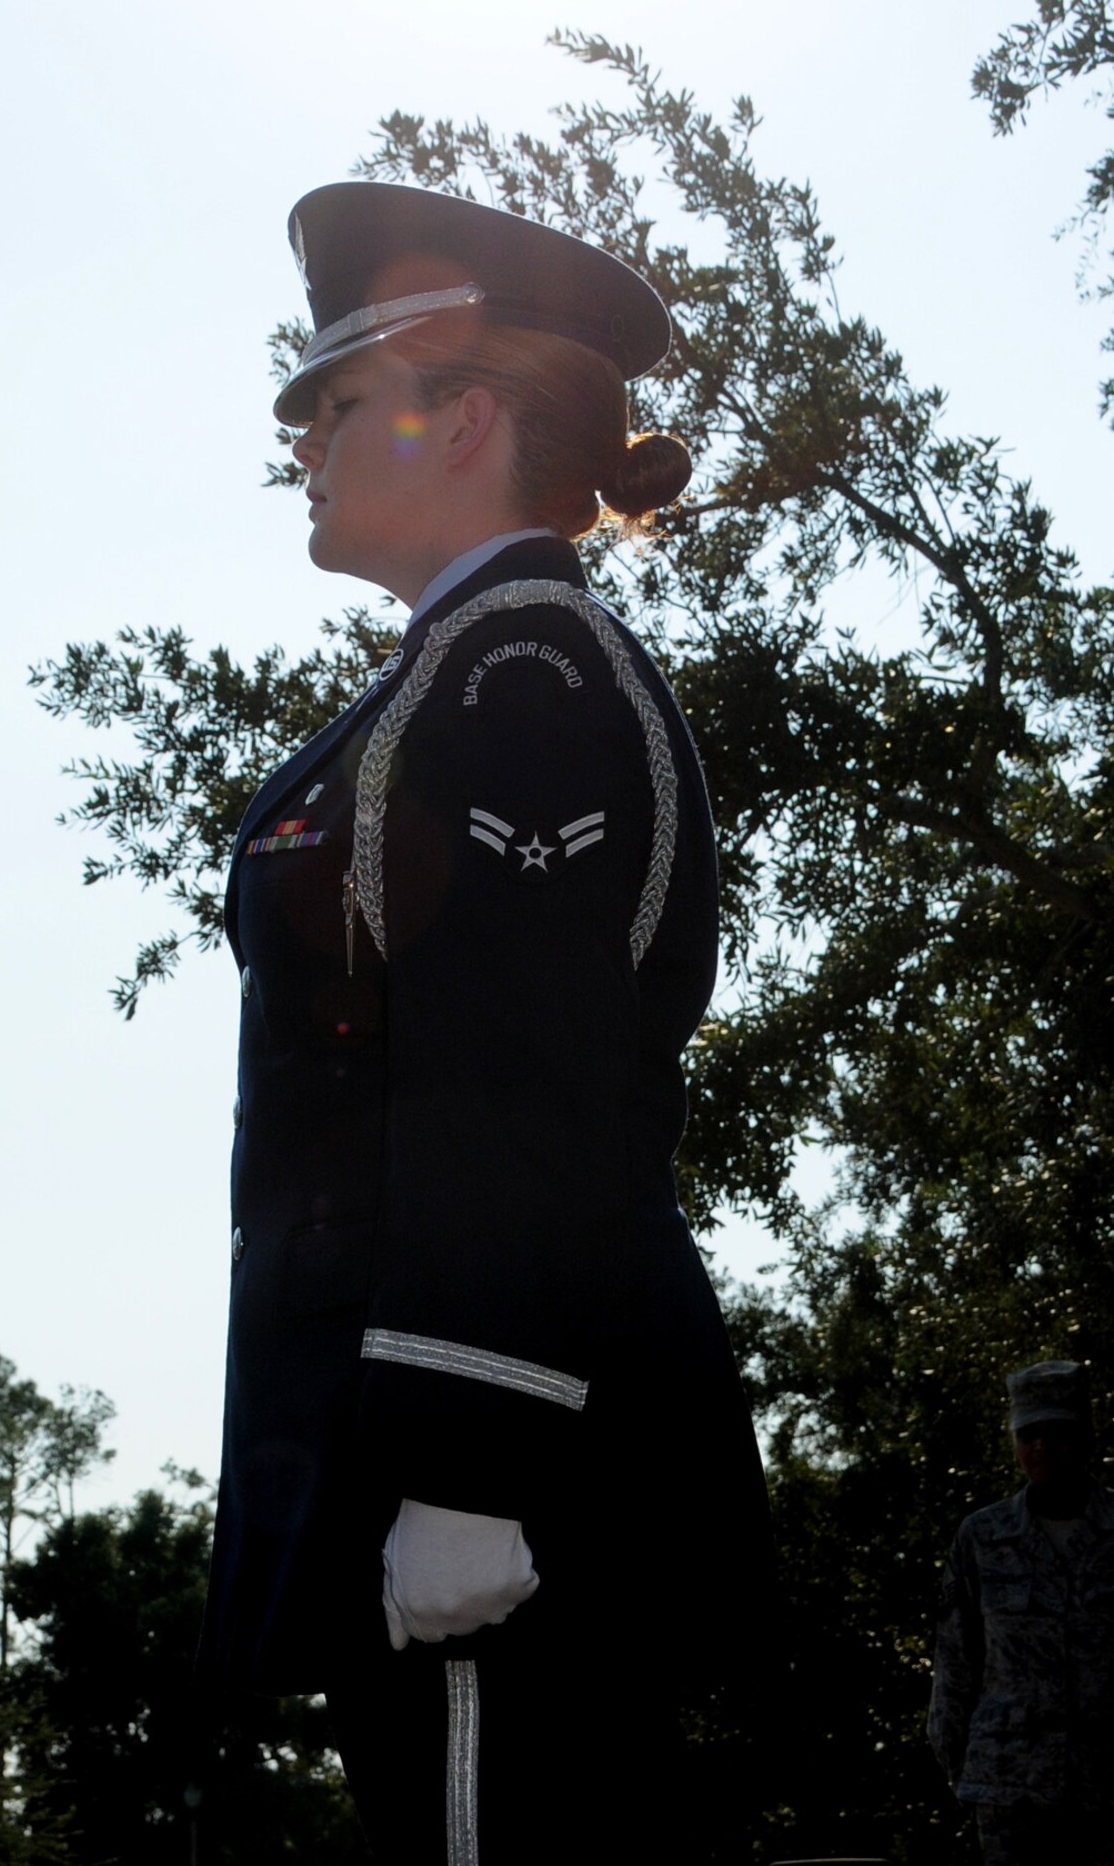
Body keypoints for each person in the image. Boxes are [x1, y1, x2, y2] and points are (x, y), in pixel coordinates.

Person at [198, 181, 773, 1860]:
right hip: (434, 1454)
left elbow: (518, 1087)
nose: (301, 439)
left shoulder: (515, 683)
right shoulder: (464, 672)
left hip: (500, 1471)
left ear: (457, 420)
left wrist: (466, 1462)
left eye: (333, 404)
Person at [929, 1359, 1114, 1864]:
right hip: (1010, 1795)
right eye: (1029, 1434)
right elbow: (955, 1665)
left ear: (1084, 1437)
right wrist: (963, 1767)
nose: (1041, 1448)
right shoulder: (983, 1538)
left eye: (1056, 1433)